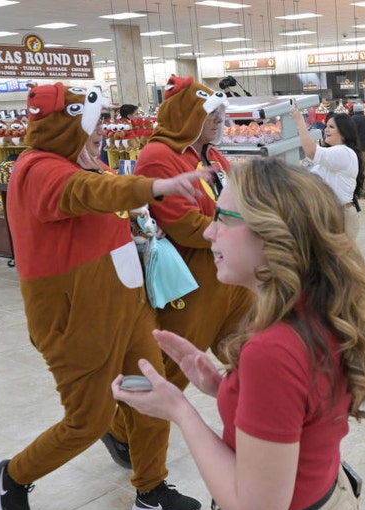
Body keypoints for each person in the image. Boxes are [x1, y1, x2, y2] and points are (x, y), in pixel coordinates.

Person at [113, 157, 365, 510]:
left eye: (223, 219)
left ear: (273, 234)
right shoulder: (316, 308)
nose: (209, 233)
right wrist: (226, 387)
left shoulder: (273, 348)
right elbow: (299, 407)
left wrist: (179, 410)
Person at [0, 83, 207, 510]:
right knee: (87, 420)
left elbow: (101, 209)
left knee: (151, 396)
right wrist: (156, 185)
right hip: (77, 320)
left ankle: (150, 488)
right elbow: (88, 194)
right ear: (65, 124)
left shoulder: (86, 163)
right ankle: (13, 475)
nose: (102, 132)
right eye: (92, 123)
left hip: (127, 307)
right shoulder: (38, 169)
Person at [103, 75, 255, 465]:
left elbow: (235, 204)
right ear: (188, 115)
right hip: (193, 282)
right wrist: (237, 230)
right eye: (211, 114)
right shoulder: (159, 155)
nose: (220, 119)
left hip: (229, 277)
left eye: (221, 112)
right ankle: (122, 432)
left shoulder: (213, 155)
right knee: (173, 372)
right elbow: (182, 224)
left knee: (247, 351)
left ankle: (253, 421)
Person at [291, 109, 363, 240]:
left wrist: (300, 122)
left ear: (343, 132)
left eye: (331, 127)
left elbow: (312, 152)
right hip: (330, 215)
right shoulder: (334, 155)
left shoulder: (344, 152)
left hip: (340, 216)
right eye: (326, 126)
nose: (326, 130)